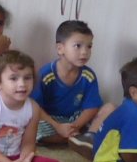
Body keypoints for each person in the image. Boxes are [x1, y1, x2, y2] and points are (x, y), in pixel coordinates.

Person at [33, 20, 116, 152]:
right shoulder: (46, 74)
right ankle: (74, 138)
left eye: (89, 46)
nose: (85, 52)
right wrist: (58, 126)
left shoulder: (88, 76)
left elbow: (92, 107)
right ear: (60, 49)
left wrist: (75, 125)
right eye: (78, 46)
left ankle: (87, 137)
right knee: (31, 126)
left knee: (110, 108)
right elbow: (34, 106)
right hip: (51, 120)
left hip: (77, 119)